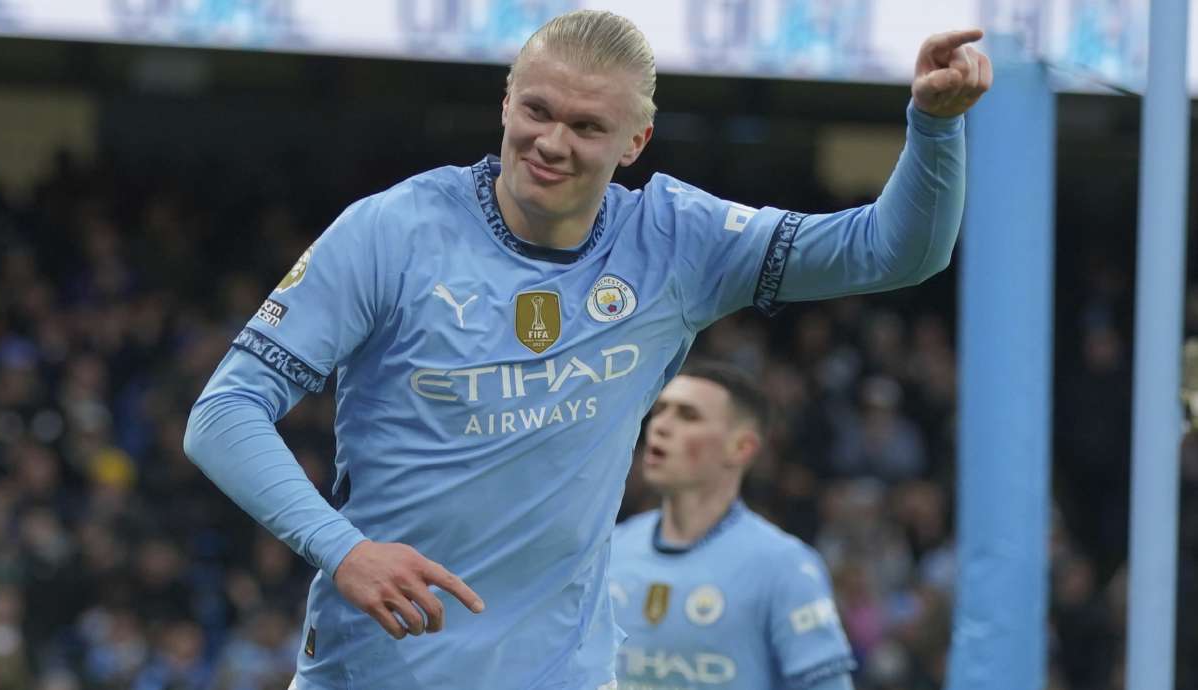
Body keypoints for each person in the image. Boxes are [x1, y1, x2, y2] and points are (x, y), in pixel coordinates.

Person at [183, 9, 991, 690]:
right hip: (380, 668)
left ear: (635, 141)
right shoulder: (392, 232)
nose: (551, 142)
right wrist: (344, 549)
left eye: (586, 126)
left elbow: (895, 253)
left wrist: (935, 127)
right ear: (504, 102)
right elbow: (223, 413)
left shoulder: (677, 240)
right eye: (536, 111)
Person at [609, 362, 855, 690]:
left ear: (741, 448)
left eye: (688, 416)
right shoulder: (611, 551)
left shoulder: (784, 566)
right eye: (661, 410)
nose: (660, 426)